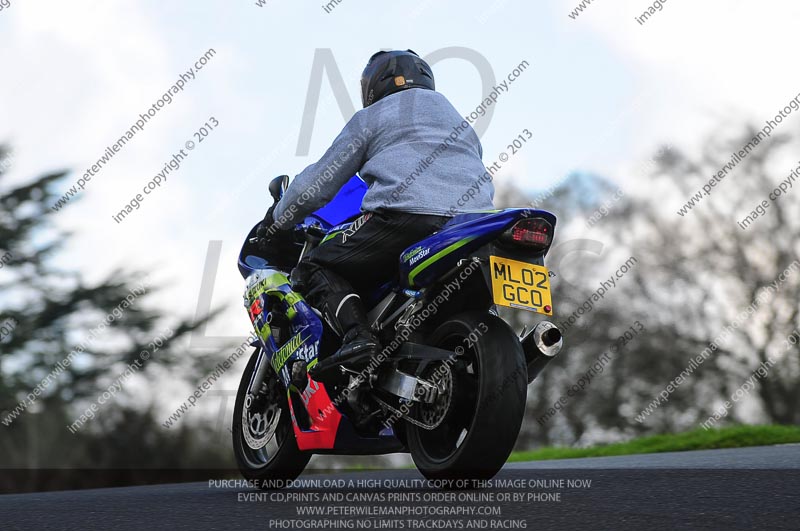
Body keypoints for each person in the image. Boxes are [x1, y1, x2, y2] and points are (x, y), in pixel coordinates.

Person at [260, 49, 494, 377]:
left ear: (375, 84)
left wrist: (278, 217)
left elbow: (317, 185)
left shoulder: (374, 116)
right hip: (475, 225)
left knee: (315, 266)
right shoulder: (459, 121)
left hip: (406, 218)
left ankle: (359, 337)